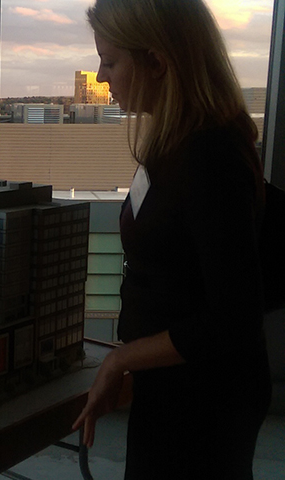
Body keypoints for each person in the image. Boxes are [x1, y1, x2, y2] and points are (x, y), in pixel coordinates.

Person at [72, 0, 272, 478]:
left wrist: (120, 359)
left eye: (110, 61)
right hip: (175, 387)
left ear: (158, 63)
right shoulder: (179, 143)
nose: (101, 77)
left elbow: (232, 317)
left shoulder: (208, 156)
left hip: (201, 404)